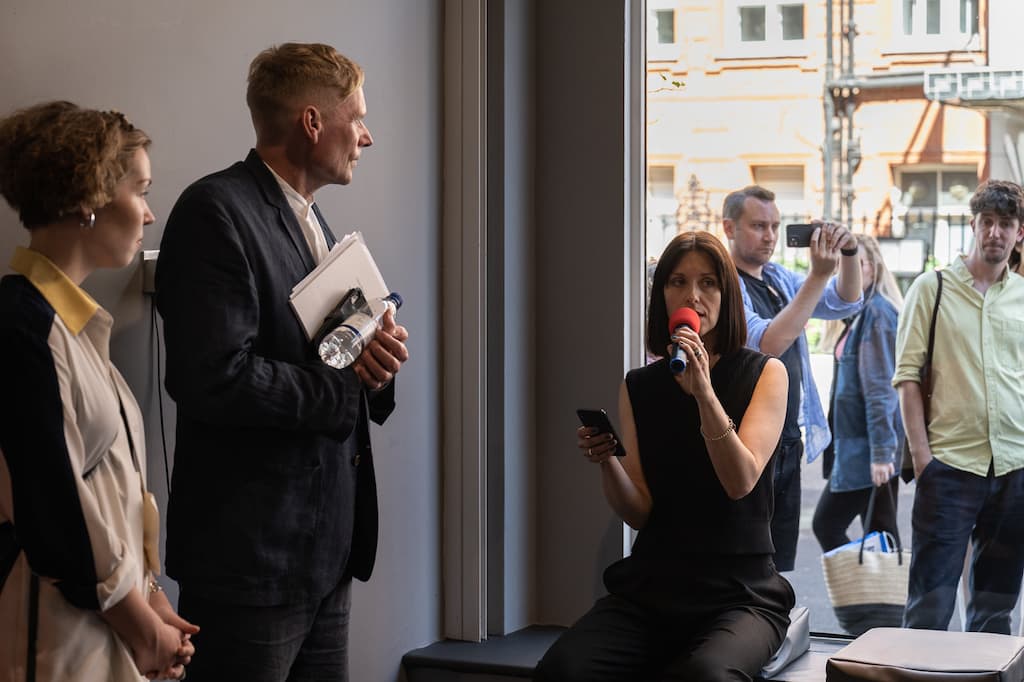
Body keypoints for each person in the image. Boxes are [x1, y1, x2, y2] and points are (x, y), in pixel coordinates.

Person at [154, 43, 409, 681]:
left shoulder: (313, 220)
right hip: (251, 562)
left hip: (324, 555)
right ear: (312, 122)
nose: (367, 137)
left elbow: (323, 357)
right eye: (358, 118)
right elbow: (213, 377)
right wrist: (346, 389)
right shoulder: (214, 212)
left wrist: (376, 363)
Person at [534, 231, 794, 682]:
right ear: (663, 296)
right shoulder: (639, 385)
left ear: (727, 294)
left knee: (706, 676)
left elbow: (740, 481)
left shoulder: (766, 374)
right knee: (563, 668)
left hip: (742, 592)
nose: (693, 294)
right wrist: (607, 461)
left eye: (709, 282)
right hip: (653, 586)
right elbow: (639, 513)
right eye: (678, 281)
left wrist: (705, 396)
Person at [0, 101, 196, 681]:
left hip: (104, 629)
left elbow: (114, 492)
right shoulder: (22, 329)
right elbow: (53, 510)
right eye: (140, 191)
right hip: (57, 639)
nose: (150, 213)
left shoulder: (74, 329)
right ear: (89, 200)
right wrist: (142, 625)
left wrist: (153, 596)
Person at [895, 179, 1024, 633]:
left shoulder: (1022, 298)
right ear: (973, 225)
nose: (995, 232)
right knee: (929, 606)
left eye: (1005, 224)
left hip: (1014, 469)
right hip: (948, 469)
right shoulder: (932, 290)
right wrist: (922, 459)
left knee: (995, 609)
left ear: (1019, 233)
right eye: (987, 222)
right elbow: (907, 377)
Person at [723, 185, 862, 571]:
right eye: (758, 226)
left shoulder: (778, 277)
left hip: (786, 437)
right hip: (746, 439)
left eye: (775, 226)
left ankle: (770, 625)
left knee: (778, 557)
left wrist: (848, 253)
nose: (769, 236)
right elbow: (767, 342)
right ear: (729, 228)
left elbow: (845, 300)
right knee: (747, 555)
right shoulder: (725, 284)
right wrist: (818, 276)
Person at [812, 235, 903, 554]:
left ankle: (871, 600)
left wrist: (881, 454)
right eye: (839, 265)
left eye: (853, 263)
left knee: (827, 524)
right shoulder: (860, 315)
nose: (844, 271)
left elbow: (881, 390)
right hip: (859, 449)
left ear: (873, 268)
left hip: (867, 452)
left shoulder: (877, 315)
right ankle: (878, 601)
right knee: (881, 537)